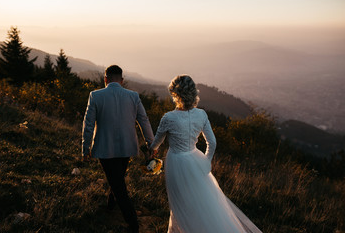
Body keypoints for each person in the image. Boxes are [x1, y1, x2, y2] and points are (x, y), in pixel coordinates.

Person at [149, 75, 262, 233]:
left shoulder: (169, 118)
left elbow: (156, 143)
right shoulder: (201, 114)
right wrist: (205, 163)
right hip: (195, 159)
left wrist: (151, 150)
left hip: (176, 162)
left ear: (176, 95)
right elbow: (213, 143)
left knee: (178, 200)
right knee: (199, 202)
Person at [82, 65, 154, 233]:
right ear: (122, 80)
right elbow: (144, 120)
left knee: (118, 184)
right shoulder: (133, 96)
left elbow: (88, 125)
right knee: (117, 179)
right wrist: (151, 143)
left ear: (105, 79)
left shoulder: (95, 95)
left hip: (104, 148)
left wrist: (86, 148)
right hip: (127, 147)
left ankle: (133, 223)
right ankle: (110, 205)